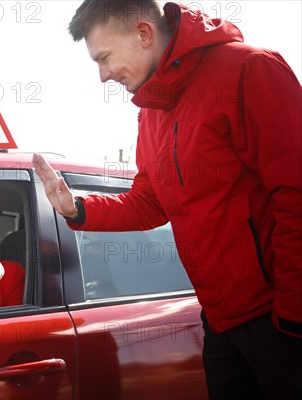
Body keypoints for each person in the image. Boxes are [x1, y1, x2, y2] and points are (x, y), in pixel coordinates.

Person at [33, 1, 302, 399]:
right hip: (219, 323)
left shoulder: (249, 69)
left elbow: (295, 193)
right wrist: (77, 208)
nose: (103, 75)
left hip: (279, 322)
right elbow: (149, 203)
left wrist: (293, 316)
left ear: (143, 34)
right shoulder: (151, 112)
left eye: (104, 58)